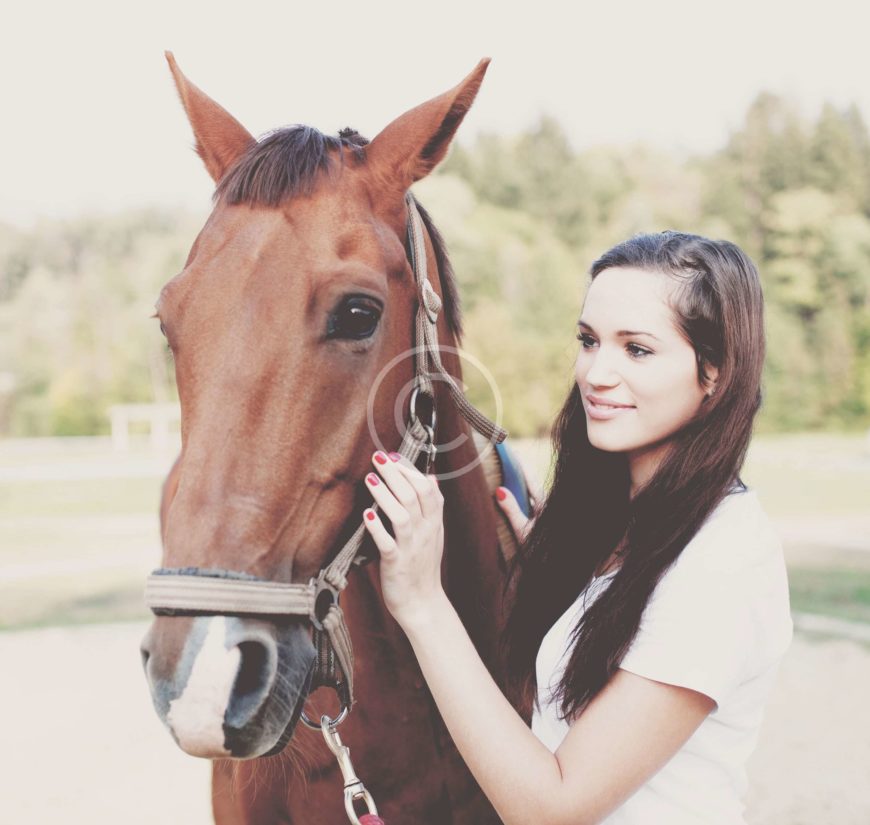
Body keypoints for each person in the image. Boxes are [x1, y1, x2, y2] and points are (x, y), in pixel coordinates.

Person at [360, 231, 793, 825]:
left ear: (713, 371)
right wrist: (546, 574)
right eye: (589, 341)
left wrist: (422, 602)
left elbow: (552, 808)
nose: (596, 373)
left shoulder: (721, 559)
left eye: (636, 349)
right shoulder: (619, 527)